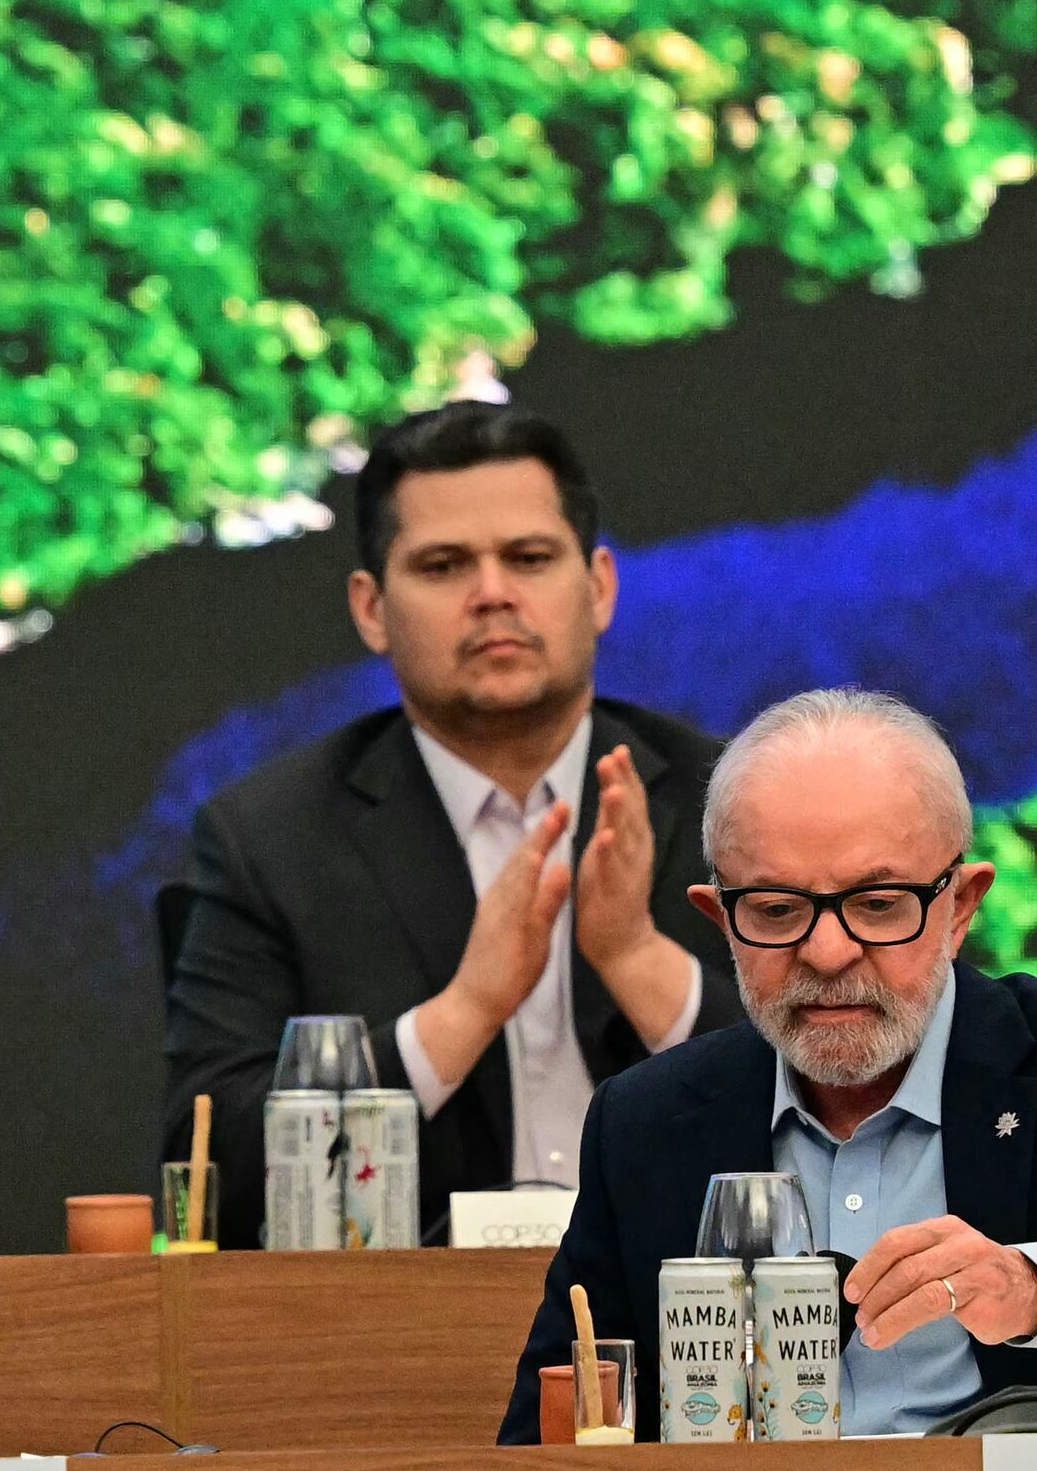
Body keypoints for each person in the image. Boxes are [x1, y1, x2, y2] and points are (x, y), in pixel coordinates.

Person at [501, 688, 1037, 1439]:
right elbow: (549, 1422)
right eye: (779, 910)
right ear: (721, 920)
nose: (827, 951)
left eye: (879, 904)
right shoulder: (648, 1120)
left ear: (961, 906)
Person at [164, 403, 739, 1243]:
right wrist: (464, 1010)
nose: (493, 593)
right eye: (443, 565)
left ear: (601, 585)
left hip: (689, 1324)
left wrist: (637, 959)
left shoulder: (734, 803)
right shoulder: (266, 842)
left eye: (530, 557)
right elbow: (211, 1171)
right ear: (370, 608)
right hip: (400, 1337)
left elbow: (864, 1104)